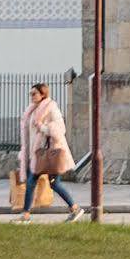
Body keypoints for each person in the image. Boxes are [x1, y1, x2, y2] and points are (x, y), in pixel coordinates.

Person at [18, 82, 84, 223]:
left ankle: (26, 216)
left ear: (43, 94)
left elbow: (60, 128)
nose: (31, 96)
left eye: (34, 93)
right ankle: (74, 208)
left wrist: (42, 127)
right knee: (48, 183)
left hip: (49, 154)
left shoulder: (51, 107)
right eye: (30, 93)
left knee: (37, 182)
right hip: (36, 154)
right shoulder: (31, 110)